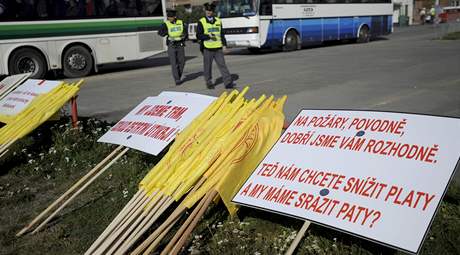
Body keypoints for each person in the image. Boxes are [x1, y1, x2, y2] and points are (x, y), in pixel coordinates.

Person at [196, 2, 235, 89]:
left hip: (218, 48)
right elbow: (198, 35)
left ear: (213, 11)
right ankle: (209, 82)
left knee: (222, 65)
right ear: (205, 11)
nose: (209, 12)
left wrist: (224, 45)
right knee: (207, 67)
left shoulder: (218, 20)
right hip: (207, 48)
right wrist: (208, 36)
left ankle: (228, 83)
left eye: (210, 11)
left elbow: (222, 34)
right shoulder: (201, 21)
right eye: (207, 10)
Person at [158, 9, 187, 85]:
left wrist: (184, 35)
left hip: (180, 44)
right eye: (168, 17)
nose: (169, 18)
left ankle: (178, 75)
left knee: (182, 62)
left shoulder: (181, 22)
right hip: (171, 45)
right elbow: (160, 32)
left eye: (171, 17)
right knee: (174, 63)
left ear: (175, 16)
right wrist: (167, 33)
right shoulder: (166, 24)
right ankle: (177, 79)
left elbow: (186, 32)